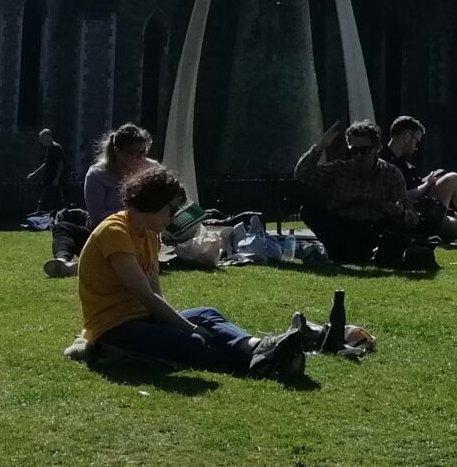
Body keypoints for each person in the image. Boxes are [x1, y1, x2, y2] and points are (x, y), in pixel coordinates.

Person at [76, 167, 318, 378]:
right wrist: (187, 327)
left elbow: (155, 292)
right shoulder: (115, 232)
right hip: (114, 326)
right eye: (172, 209)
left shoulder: (149, 234)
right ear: (154, 203)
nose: (173, 217)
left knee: (206, 314)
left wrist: (178, 322)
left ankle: (257, 347)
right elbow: (145, 295)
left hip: (143, 317)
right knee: (192, 340)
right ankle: (260, 363)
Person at [295, 121, 438, 264]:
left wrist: (399, 212)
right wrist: (319, 148)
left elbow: (412, 218)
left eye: (364, 150)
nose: (358, 155)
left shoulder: (391, 174)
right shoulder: (339, 169)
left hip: (374, 228)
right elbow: (302, 174)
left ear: (376, 149)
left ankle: (349, 253)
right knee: (309, 210)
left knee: (390, 229)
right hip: (342, 225)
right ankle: (357, 253)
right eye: (354, 150)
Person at [380, 117, 457, 225]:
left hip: (417, 206)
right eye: (417, 143)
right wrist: (426, 184)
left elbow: (411, 184)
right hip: (410, 215)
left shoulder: (400, 161)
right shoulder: (384, 164)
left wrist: (430, 179)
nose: (416, 148)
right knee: (453, 179)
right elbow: (399, 196)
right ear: (407, 137)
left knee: (451, 181)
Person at [83, 123, 155, 227]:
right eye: (133, 154)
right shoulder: (97, 175)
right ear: (117, 151)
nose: (140, 158)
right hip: (108, 231)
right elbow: (97, 219)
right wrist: (136, 212)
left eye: (143, 152)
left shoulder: (152, 169)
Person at [28, 127, 68, 212]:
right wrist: (34, 174)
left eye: (42, 139)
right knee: (56, 202)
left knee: (44, 201)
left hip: (53, 181)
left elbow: (61, 163)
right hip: (49, 180)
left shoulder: (56, 147)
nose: (41, 141)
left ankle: (38, 215)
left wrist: (57, 178)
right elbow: (45, 164)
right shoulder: (49, 149)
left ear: (47, 137)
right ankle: (60, 214)